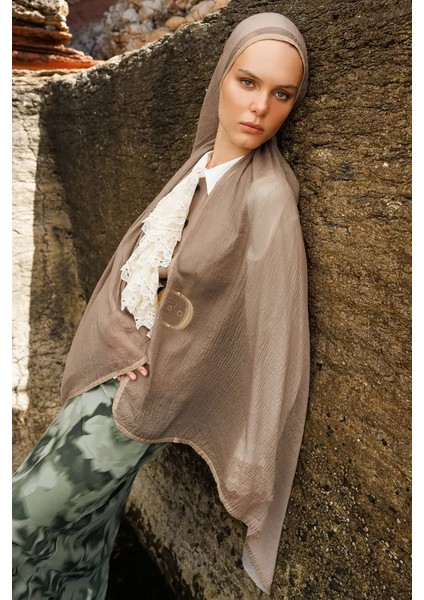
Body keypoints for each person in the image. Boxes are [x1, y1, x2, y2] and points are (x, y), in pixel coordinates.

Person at [12, 12, 310, 599]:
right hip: (109, 365)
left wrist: (166, 376)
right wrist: (120, 336)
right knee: (79, 538)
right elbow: (139, 272)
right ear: (221, 78)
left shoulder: (269, 195)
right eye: (247, 82)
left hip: (140, 397)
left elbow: (271, 332)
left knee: (21, 519)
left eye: (282, 94)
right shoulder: (197, 166)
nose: (259, 107)